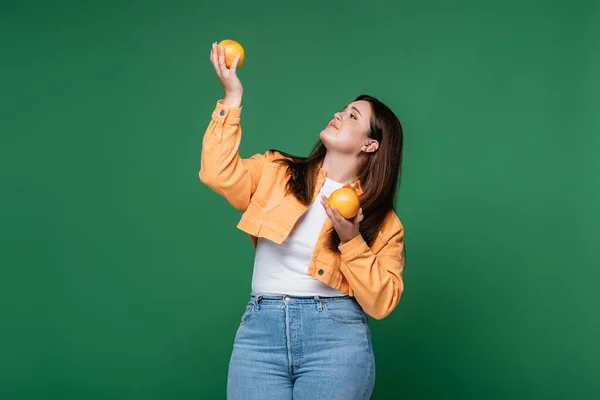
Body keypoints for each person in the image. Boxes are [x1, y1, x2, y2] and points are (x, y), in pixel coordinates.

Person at [200, 43, 406, 400]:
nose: (340, 114)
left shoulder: (382, 221)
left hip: (335, 341)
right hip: (259, 334)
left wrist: (352, 239)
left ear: (371, 145)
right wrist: (232, 98)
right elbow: (217, 174)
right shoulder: (277, 172)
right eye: (343, 110)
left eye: (353, 116)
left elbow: (382, 302)